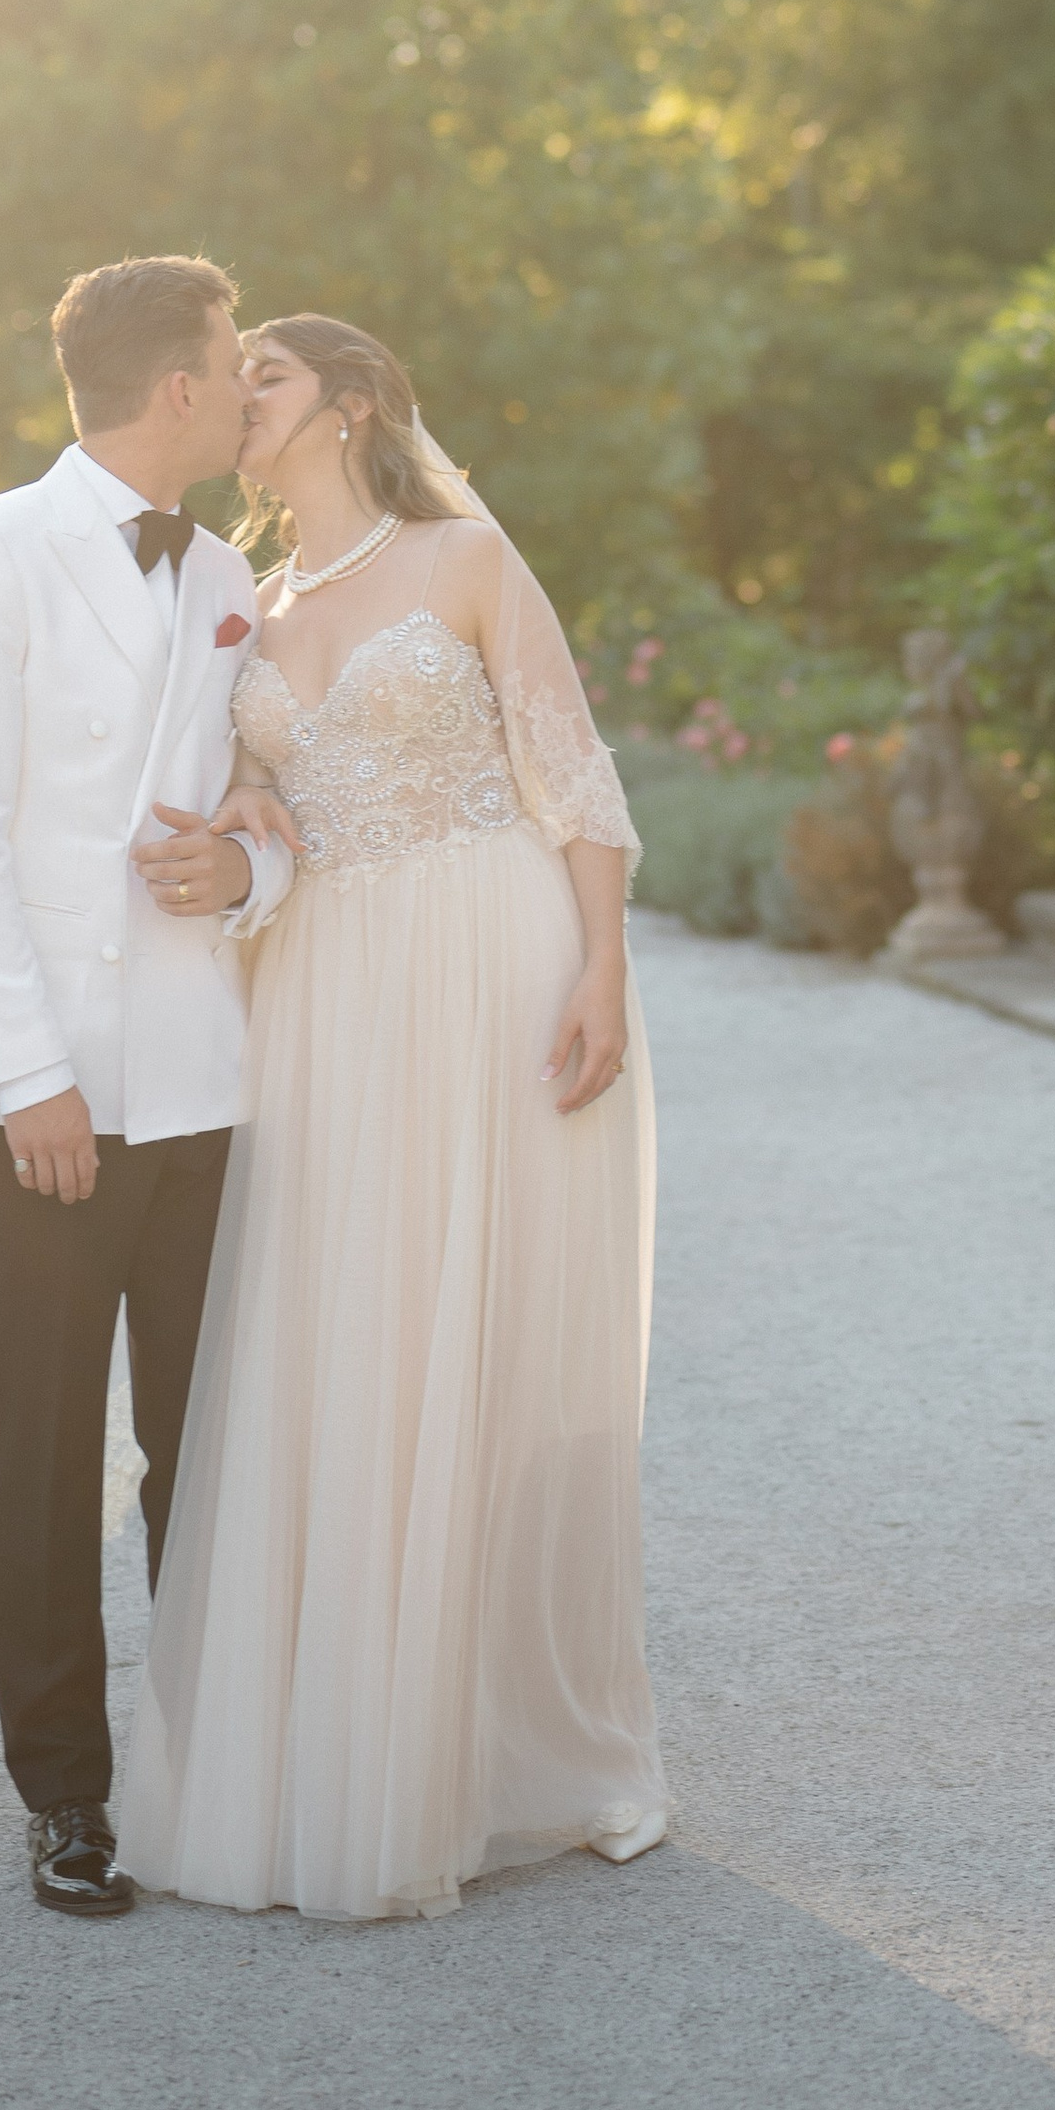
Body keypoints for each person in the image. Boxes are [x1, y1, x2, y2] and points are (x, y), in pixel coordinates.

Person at [114, 313, 666, 1919]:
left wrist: (604, 967)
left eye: (267, 376)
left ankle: (500, 1749)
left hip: (491, 961)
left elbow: (573, 775)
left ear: (348, 406)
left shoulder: (465, 561)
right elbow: (239, 802)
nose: (238, 395)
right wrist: (250, 805)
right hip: (320, 993)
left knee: (475, 1339)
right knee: (338, 1335)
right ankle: (349, 1744)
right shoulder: (248, 601)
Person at [0, 254, 290, 1919]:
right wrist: (30, 1075)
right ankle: (64, 1795)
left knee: (208, 1441)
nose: (249, 384)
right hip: (39, 1093)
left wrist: (247, 876)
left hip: (199, 1079)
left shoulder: (227, 572)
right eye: (233, 359)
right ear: (178, 386)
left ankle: (211, 1766)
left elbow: (260, 804)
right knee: (43, 1449)